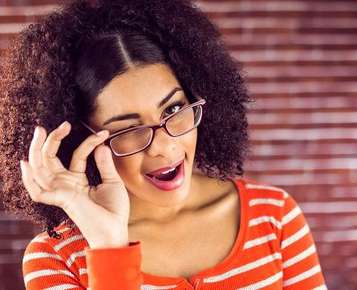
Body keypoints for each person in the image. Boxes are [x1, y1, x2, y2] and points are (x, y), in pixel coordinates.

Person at [0, 0, 328, 289]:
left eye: (173, 110)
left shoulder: (274, 216)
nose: (163, 146)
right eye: (128, 129)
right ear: (82, 141)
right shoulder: (55, 260)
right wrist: (109, 246)